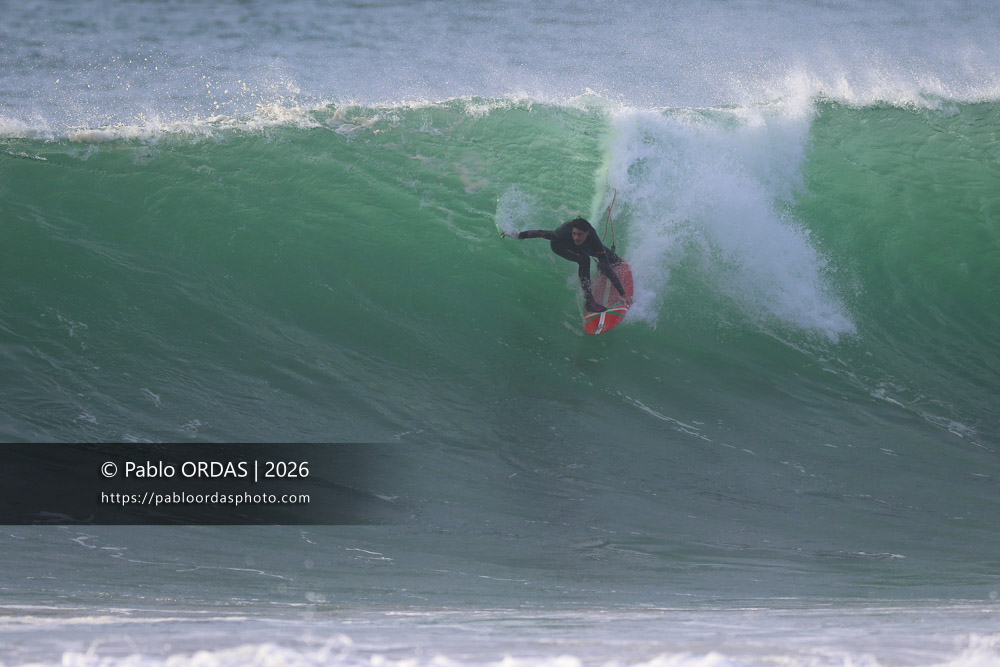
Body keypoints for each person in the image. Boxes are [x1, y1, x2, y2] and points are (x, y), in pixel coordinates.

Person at [504, 217, 630, 312]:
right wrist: (519, 235)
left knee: (612, 259)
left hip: (583, 246)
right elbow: (540, 233)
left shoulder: (594, 239)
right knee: (584, 260)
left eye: (579, 234)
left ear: (587, 233)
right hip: (561, 247)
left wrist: (622, 294)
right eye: (574, 234)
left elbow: (607, 267)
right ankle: (589, 302)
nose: (576, 237)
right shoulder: (560, 233)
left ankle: (600, 267)